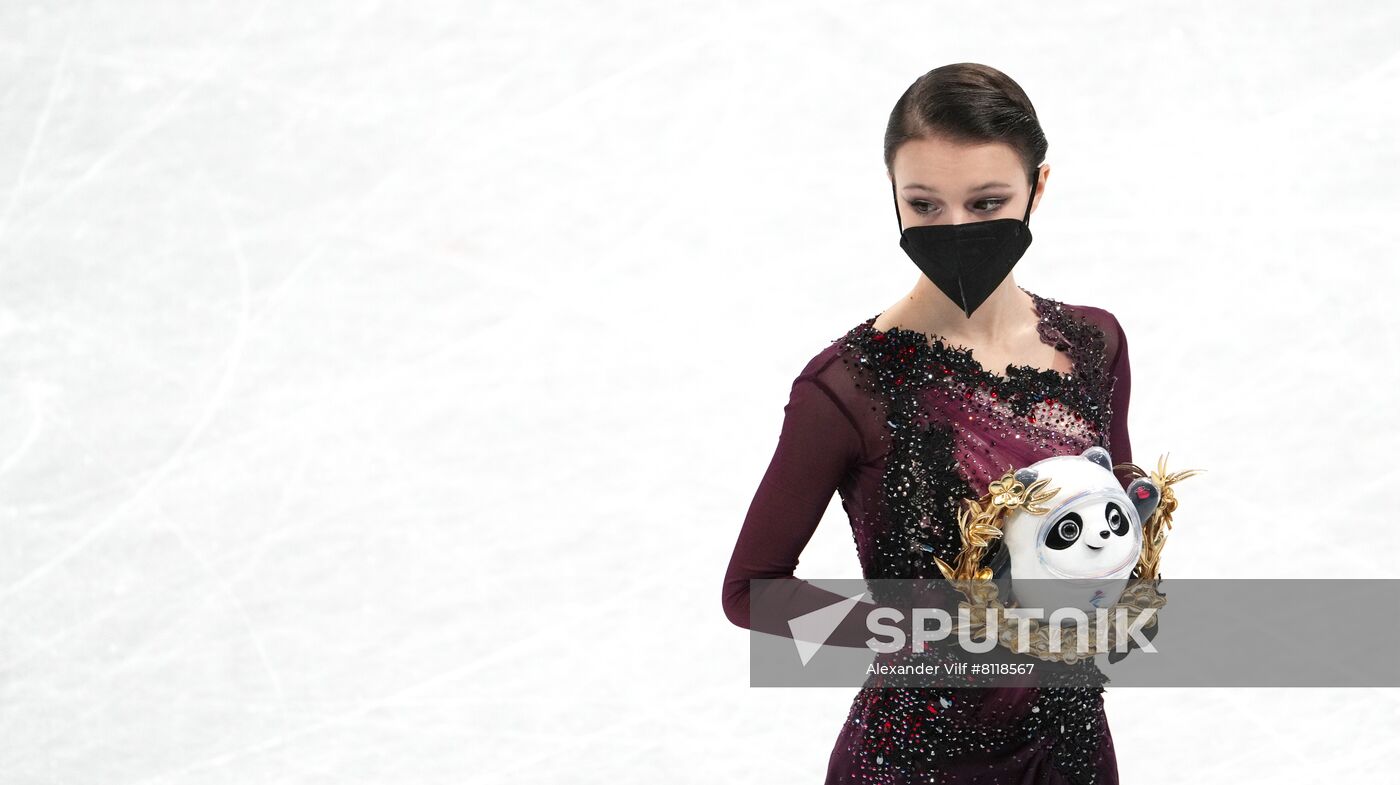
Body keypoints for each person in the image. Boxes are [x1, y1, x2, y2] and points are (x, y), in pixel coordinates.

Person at [721, 63, 1134, 785]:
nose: (956, 229)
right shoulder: (848, 387)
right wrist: (931, 628)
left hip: (1069, 754)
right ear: (894, 198)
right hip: (915, 763)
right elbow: (751, 590)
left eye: (986, 202)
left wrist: (1125, 595)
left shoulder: (1093, 345)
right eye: (924, 204)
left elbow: (1115, 538)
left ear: (1037, 188)